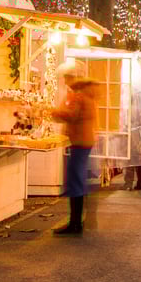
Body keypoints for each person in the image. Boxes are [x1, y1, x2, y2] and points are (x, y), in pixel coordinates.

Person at [49, 61, 98, 236]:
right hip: (83, 139)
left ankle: (75, 223)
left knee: (75, 180)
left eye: (66, 77)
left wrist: (52, 111)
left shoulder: (78, 96)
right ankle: (77, 221)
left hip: (79, 141)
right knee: (77, 178)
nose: (64, 81)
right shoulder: (85, 94)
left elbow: (71, 115)